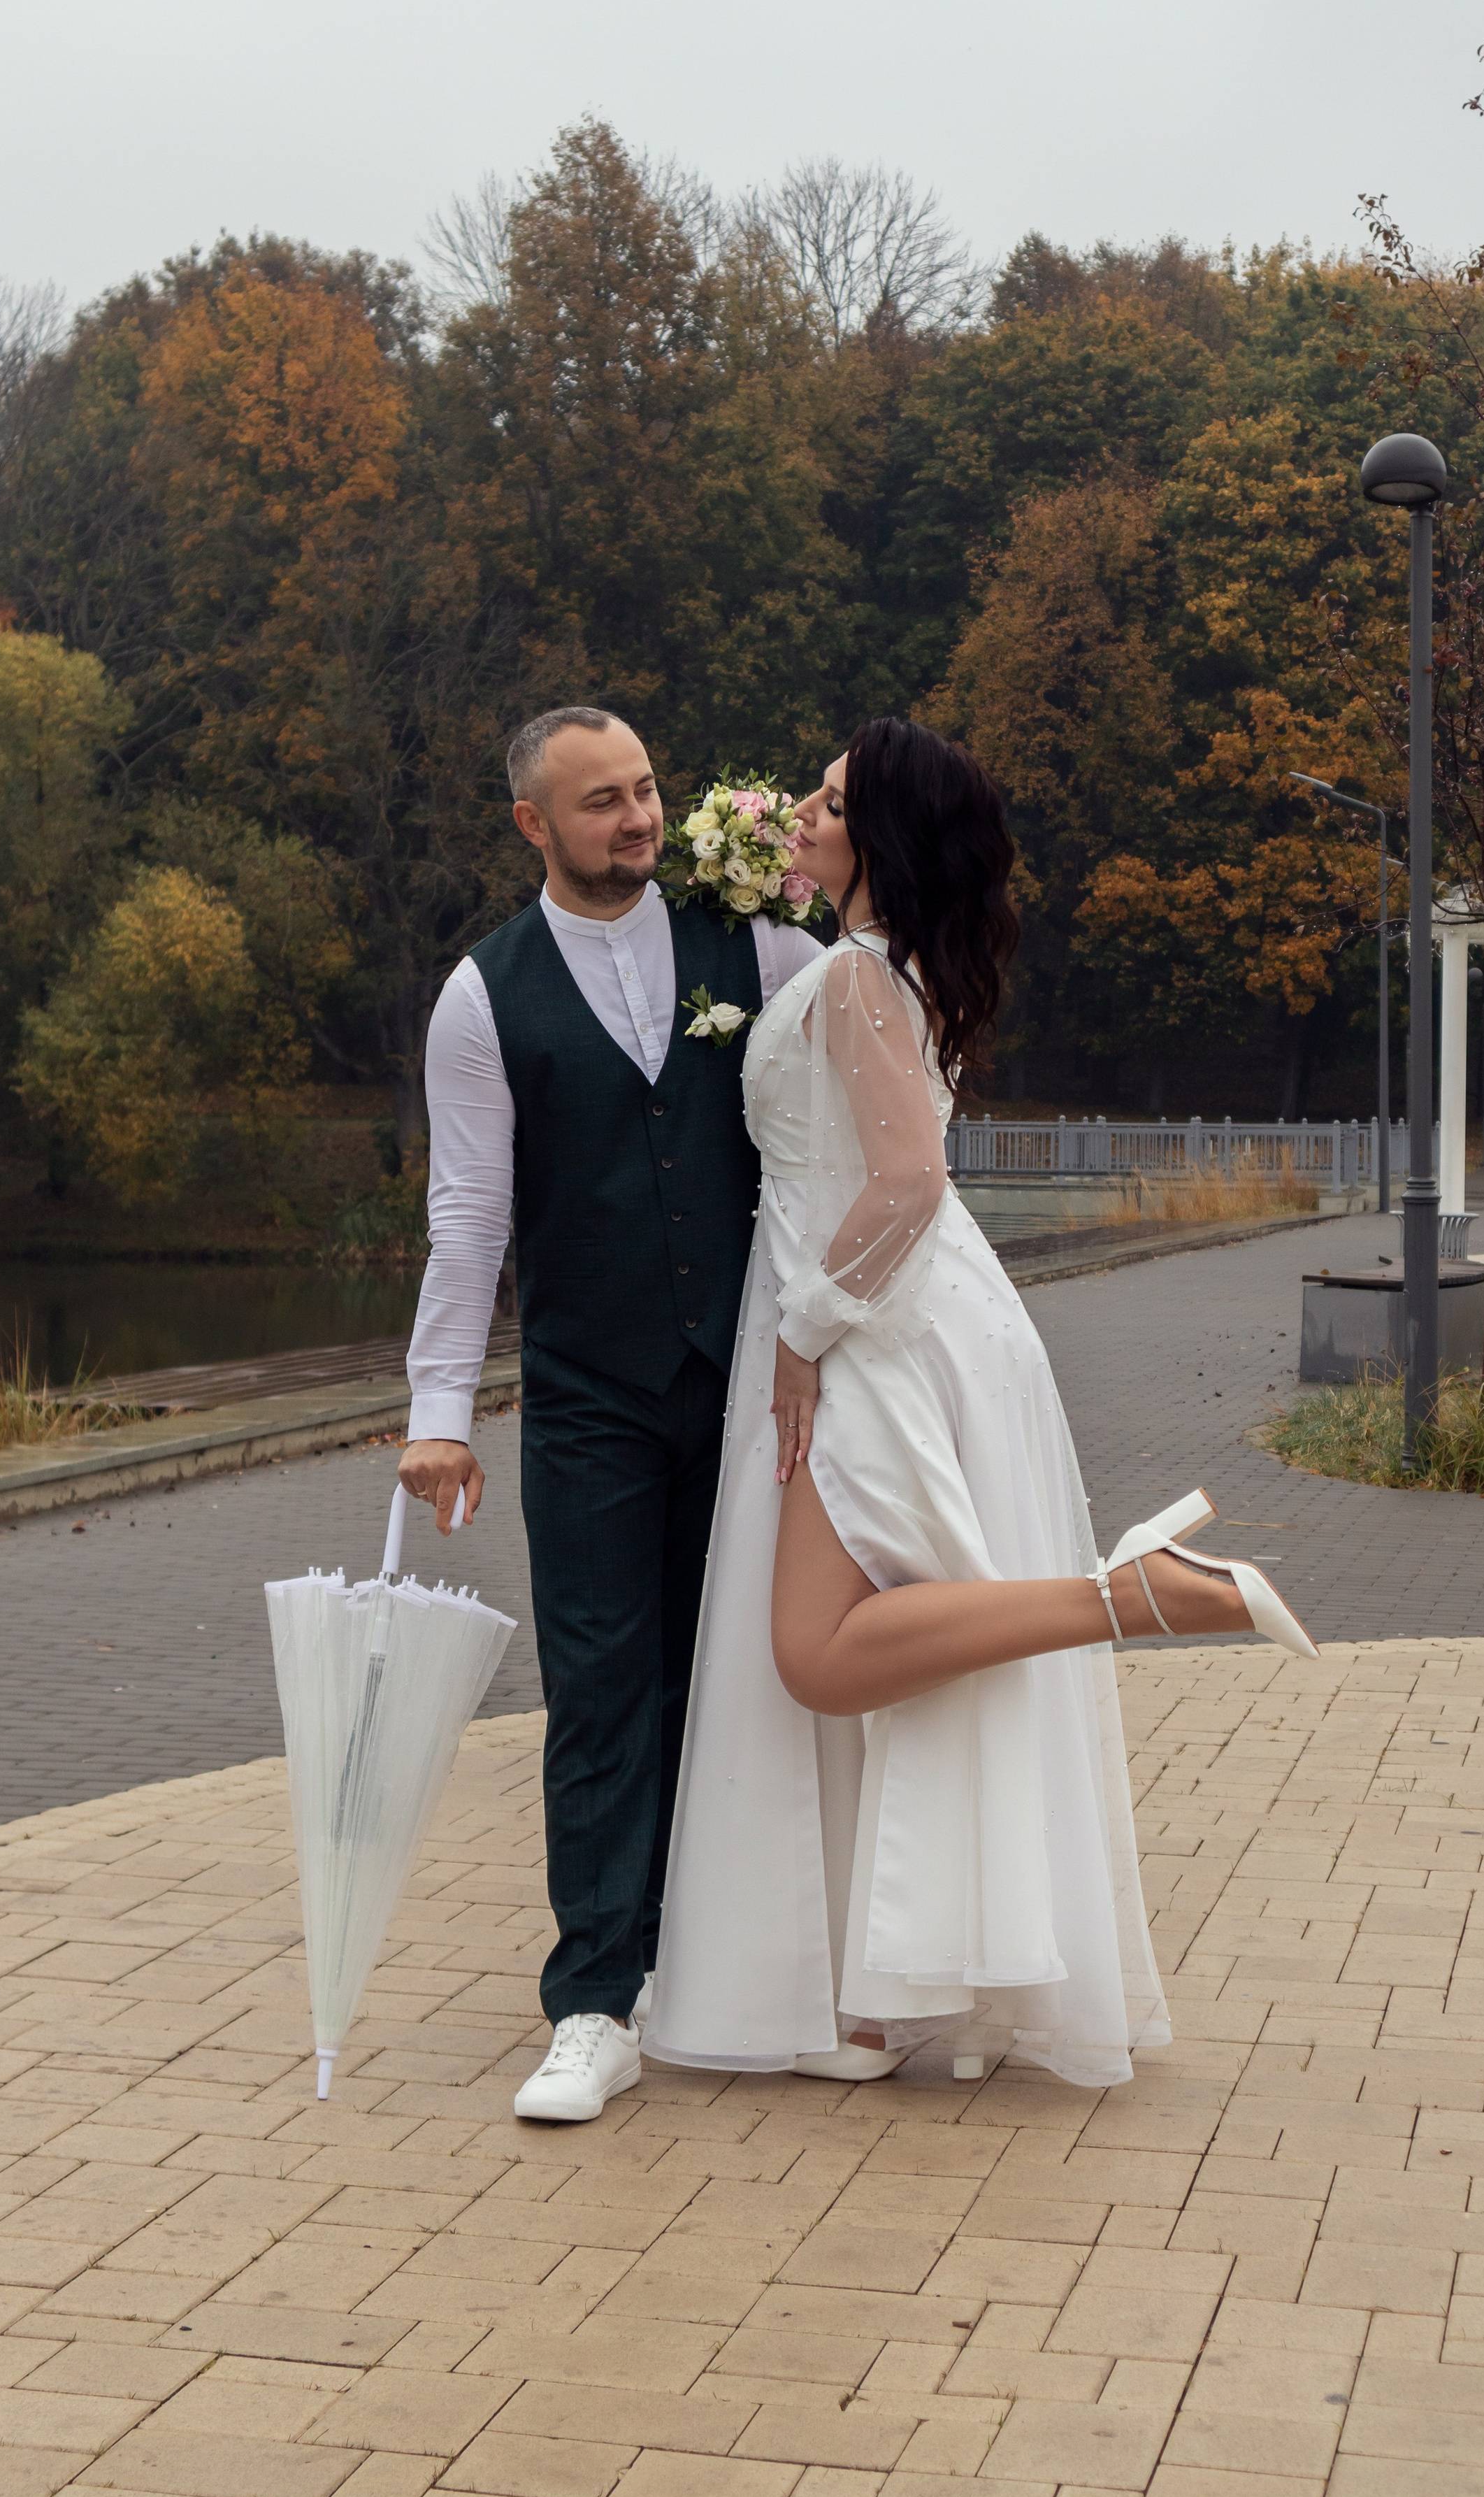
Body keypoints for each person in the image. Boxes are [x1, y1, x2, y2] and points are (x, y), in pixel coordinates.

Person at [644, 717, 1313, 2087]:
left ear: (876, 840)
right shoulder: (872, 972)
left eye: (828, 804)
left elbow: (903, 1185)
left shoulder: (851, 982)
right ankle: (880, 2000)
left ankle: (1134, 1598)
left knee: (818, 1655)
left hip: (878, 1334)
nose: (802, 818)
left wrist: (805, 1336)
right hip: (905, 1320)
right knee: (887, 1659)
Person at [398, 706, 820, 2122]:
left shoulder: (753, 941)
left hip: (747, 1377)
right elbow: (469, 1216)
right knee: (597, 1695)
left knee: (736, 1680)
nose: (636, 819)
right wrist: (438, 1409)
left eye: (645, 790)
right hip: (584, 1396)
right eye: (600, 803)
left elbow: (858, 1078)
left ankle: (723, 1970)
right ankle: (592, 2002)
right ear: (533, 825)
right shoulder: (484, 995)